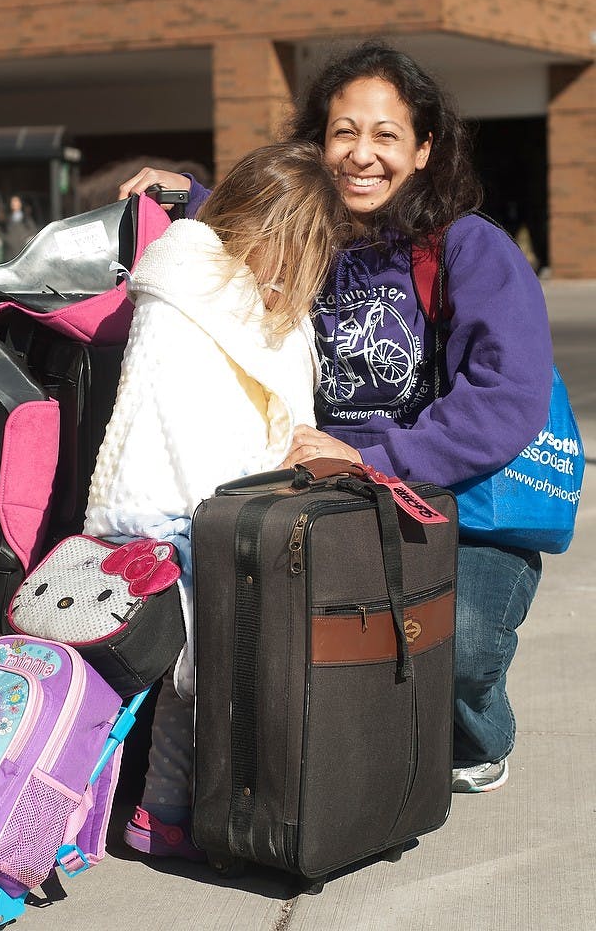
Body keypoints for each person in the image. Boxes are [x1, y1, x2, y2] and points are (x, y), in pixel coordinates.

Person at [118, 40, 554, 797]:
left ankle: (480, 734)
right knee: (294, 640)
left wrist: (374, 462)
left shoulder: (468, 247)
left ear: (423, 150)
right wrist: (189, 194)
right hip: (328, 497)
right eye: (342, 132)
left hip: (457, 504)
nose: (362, 154)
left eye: (386, 135)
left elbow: (505, 398)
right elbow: (255, 220)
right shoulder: (312, 241)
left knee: (456, 646)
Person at [84, 140, 350, 859]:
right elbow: (198, 428)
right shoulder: (191, 294)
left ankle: (159, 812)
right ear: (261, 235)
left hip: (175, 512)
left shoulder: (213, 289)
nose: (295, 276)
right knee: (186, 670)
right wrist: (272, 472)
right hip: (166, 515)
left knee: (178, 680)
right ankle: (113, 804)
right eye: (295, 254)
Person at [0, 194, 38, 259]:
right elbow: (0, 232)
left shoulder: (26, 218)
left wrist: (24, 238)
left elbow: (33, 230)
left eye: (16, 201)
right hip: (10, 252)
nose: (14, 204)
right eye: (12, 202)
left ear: (20, 203)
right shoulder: (6, 218)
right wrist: (8, 240)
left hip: (23, 251)